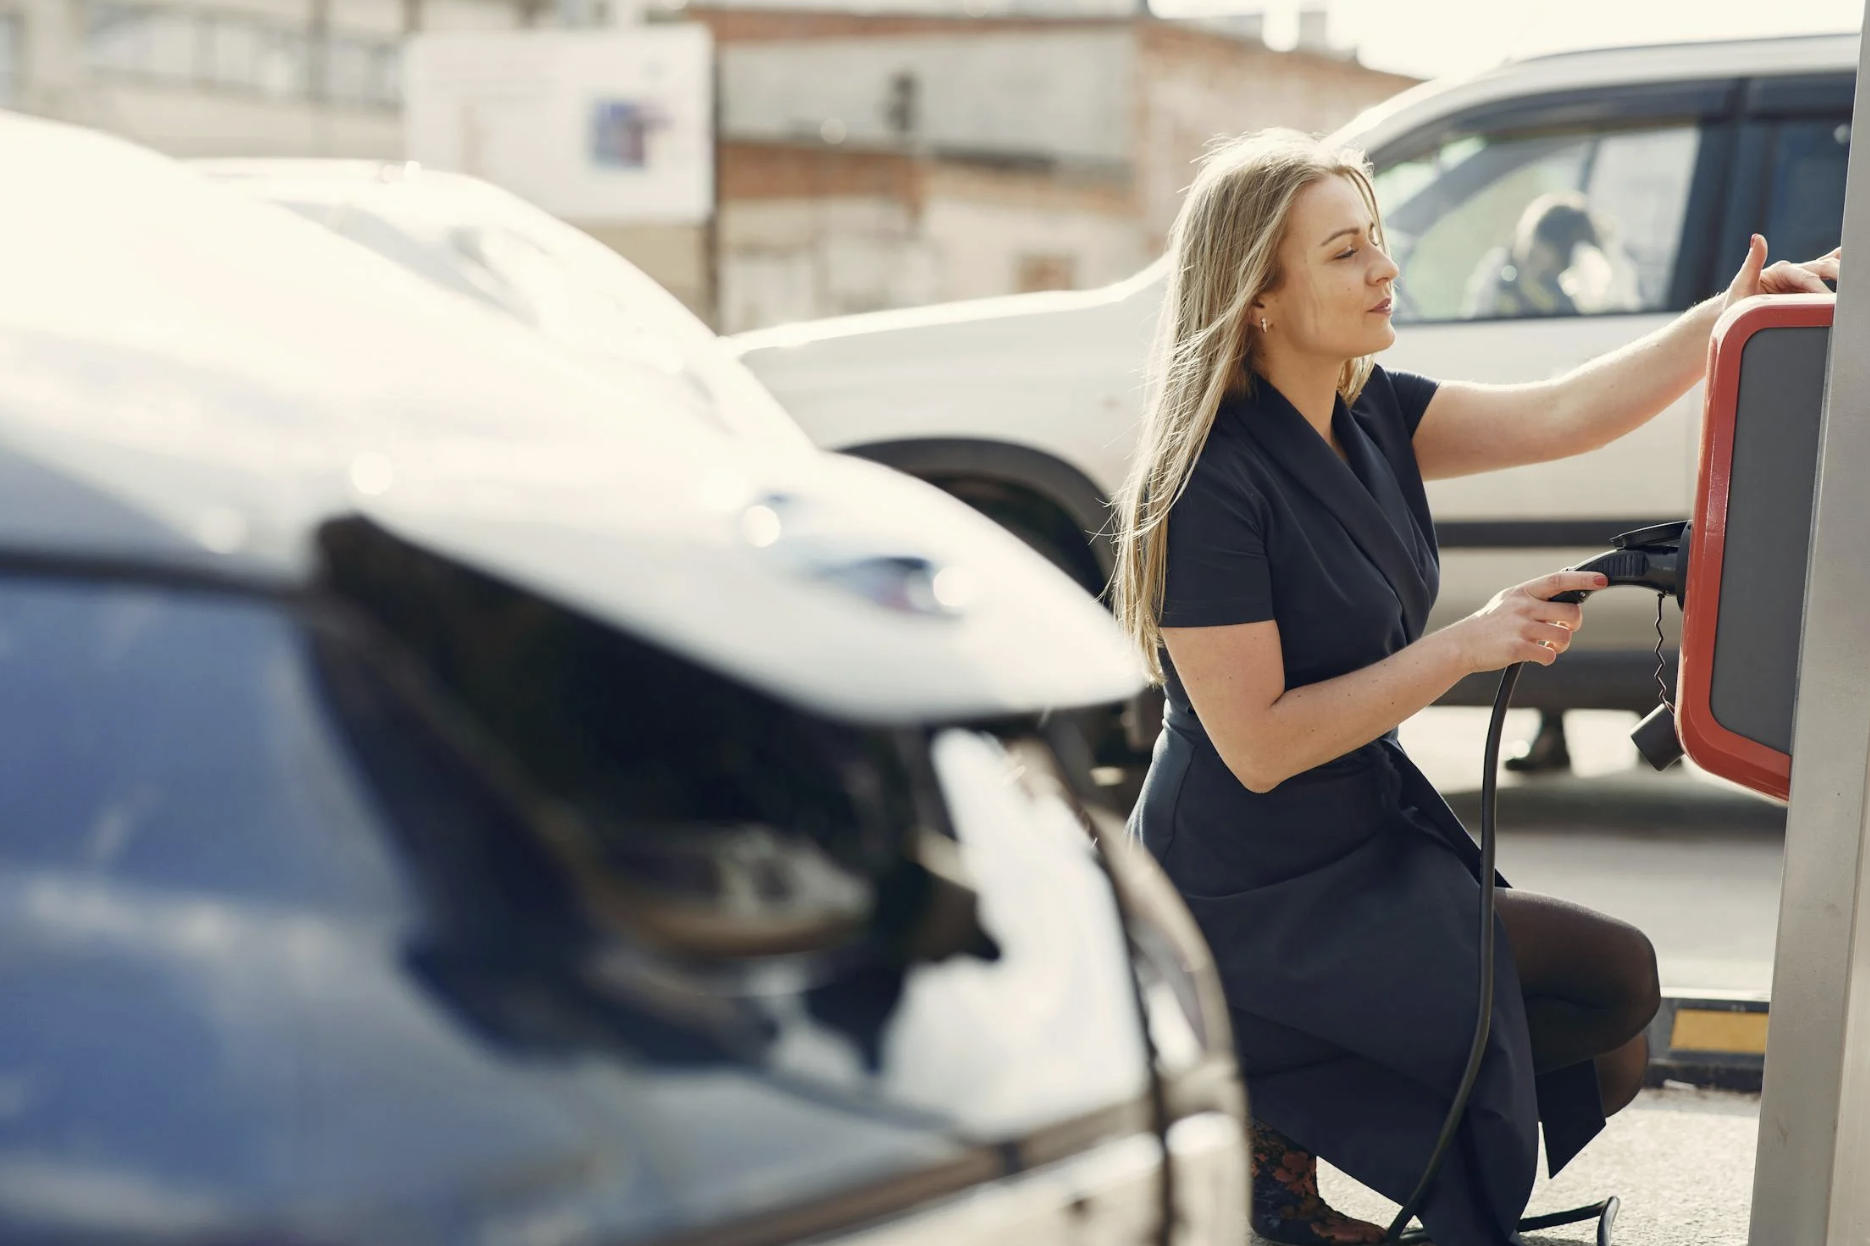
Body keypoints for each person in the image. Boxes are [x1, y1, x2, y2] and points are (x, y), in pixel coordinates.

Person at [1112, 128, 1838, 1246]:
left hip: (1355, 837)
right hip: (1247, 884)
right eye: (1345, 251)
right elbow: (1254, 744)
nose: (1383, 269)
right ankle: (1265, 1146)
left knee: (1608, 1016)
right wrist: (1467, 644)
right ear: (1257, 294)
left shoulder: (1374, 412)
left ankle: (1270, 1156)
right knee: (1606, 983)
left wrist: (1727, 320)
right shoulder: (1209, 476)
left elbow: (1562, 414)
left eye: (1377, 242)